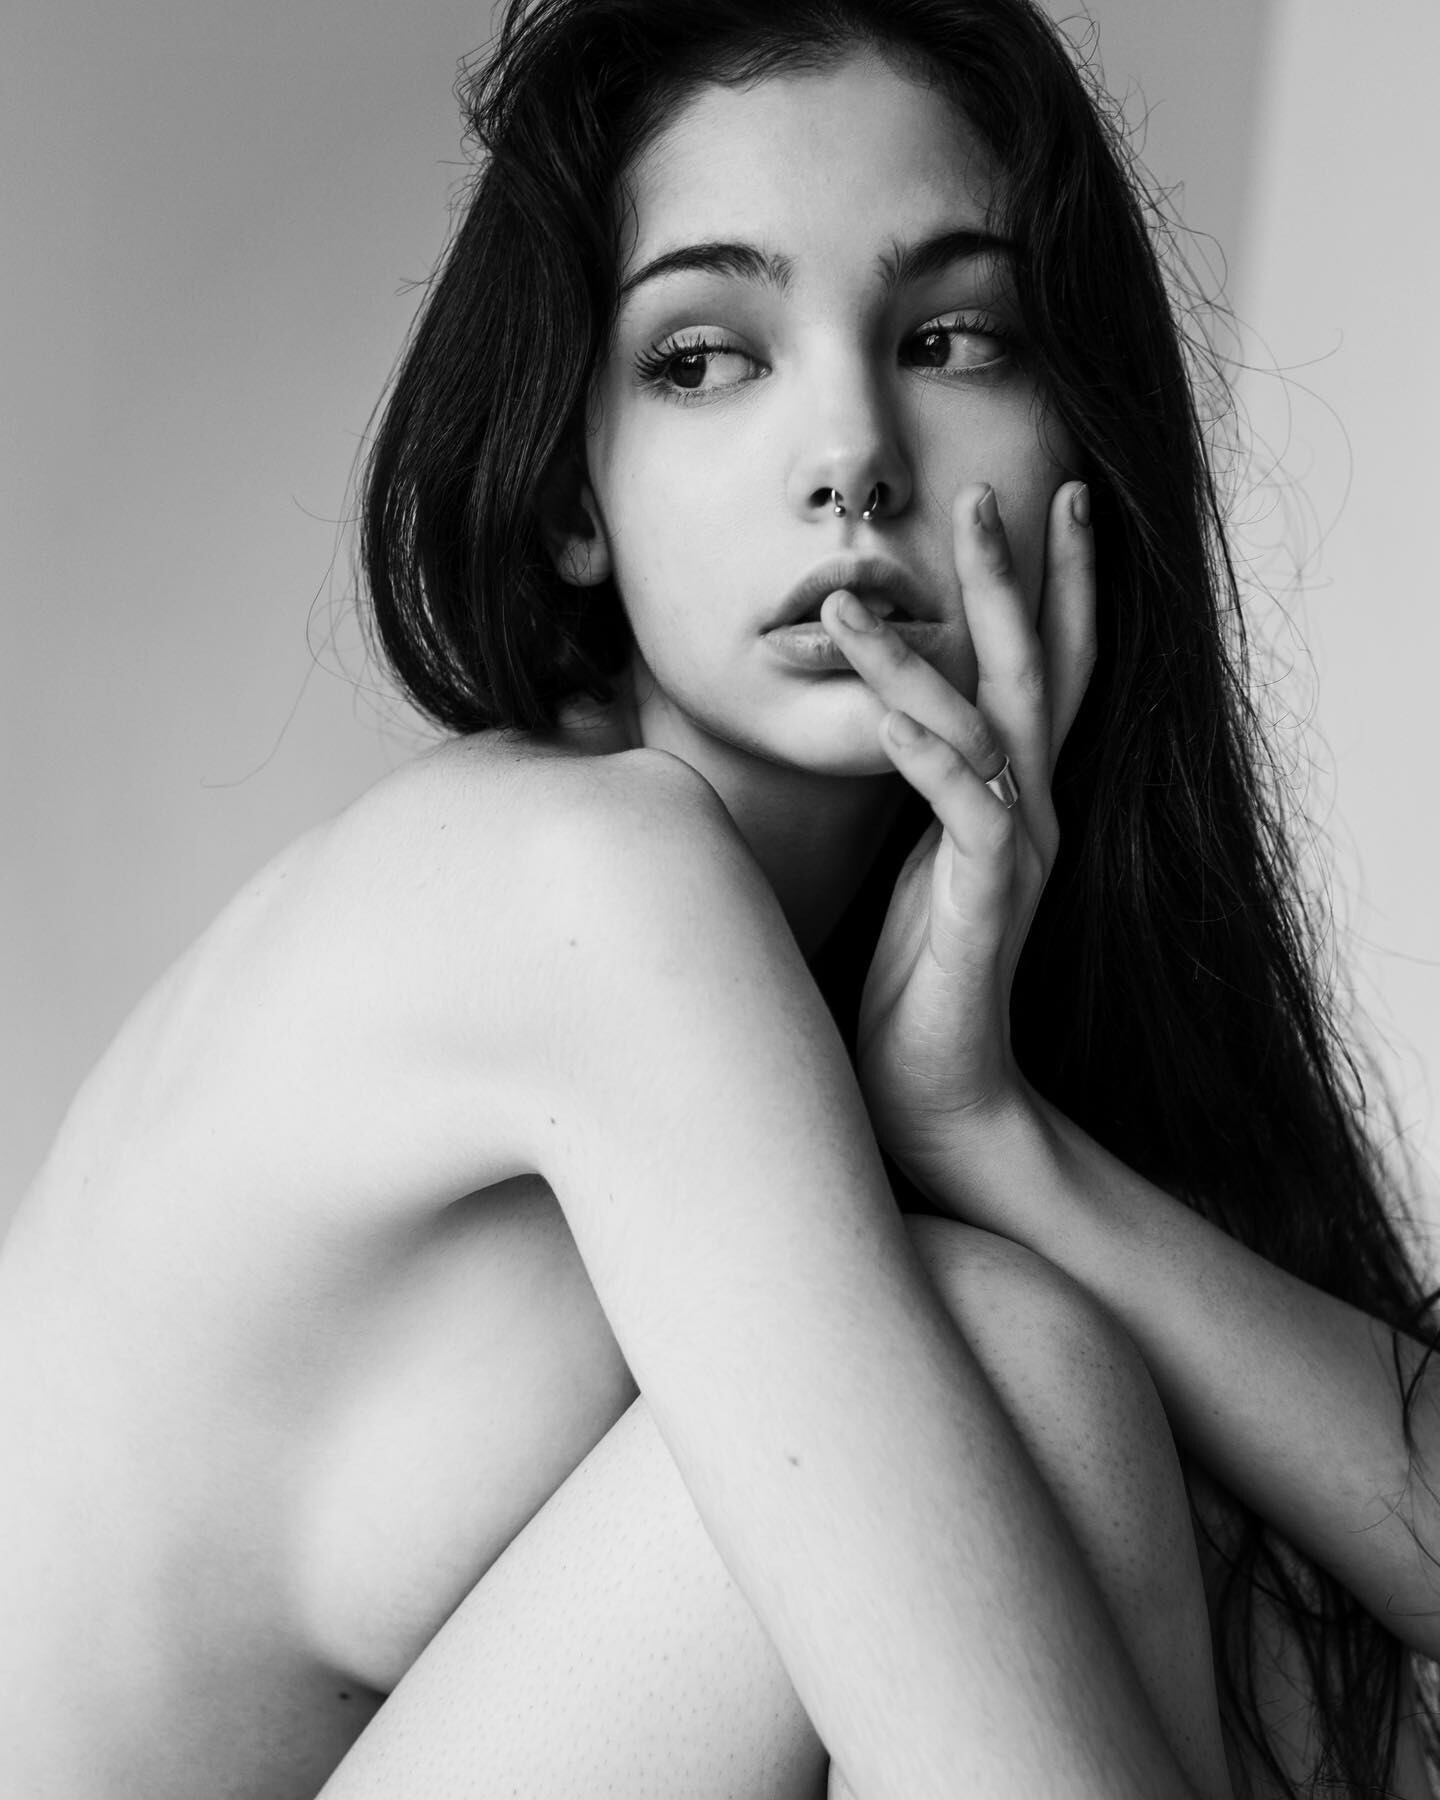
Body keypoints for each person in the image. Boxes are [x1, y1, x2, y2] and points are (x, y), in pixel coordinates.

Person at [1, 0, 1436, 1794]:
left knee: (1158, 1477)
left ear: (1081, 442)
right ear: (572, 493)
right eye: (702, 357)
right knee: (1024, 1365)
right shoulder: (587, 889)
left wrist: (987, 1132)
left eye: (948, 337)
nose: (852, 455)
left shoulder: (855, 990)